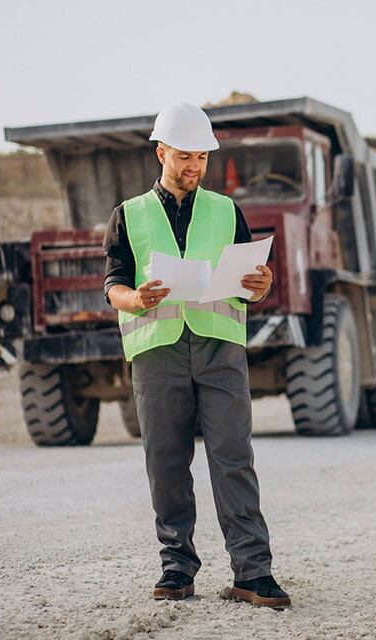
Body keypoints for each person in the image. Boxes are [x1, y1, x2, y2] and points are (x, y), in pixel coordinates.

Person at [102, 102, 290, 608]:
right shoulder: (129, 216)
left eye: (202, 157)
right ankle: (177, 568)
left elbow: (252, 285)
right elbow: (113, 286)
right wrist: (136, 298)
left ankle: (253, 573)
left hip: (219, 349)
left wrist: (261, 285)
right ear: (161, 152)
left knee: (233, 458)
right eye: (185, 155)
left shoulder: (227, 211)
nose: (194, 166)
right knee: (166, 462)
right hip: (157, 352)